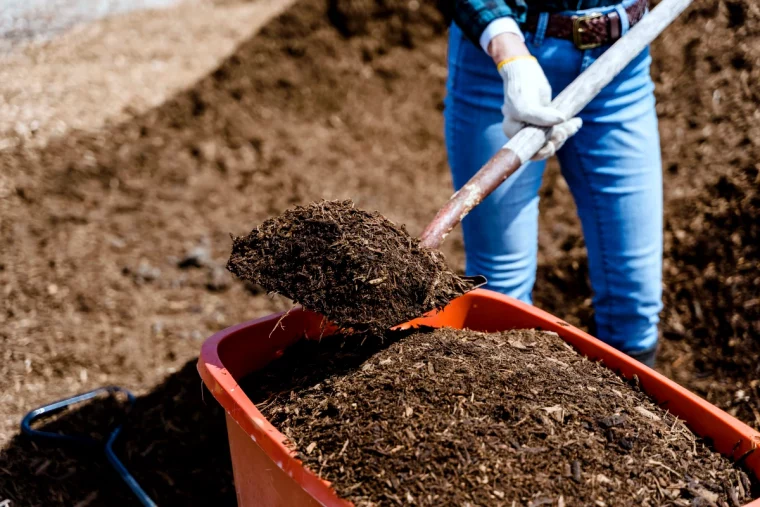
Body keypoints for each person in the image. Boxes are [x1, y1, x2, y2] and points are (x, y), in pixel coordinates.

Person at [446, 0, 661, 367]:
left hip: (621, 60)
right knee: (502, 293)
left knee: (635, 300)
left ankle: (628, 420)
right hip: (502, 61)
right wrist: (510, 55)